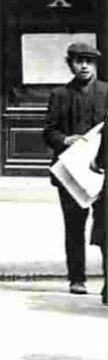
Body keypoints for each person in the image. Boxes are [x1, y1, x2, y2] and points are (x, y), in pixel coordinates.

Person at [41, 41, 108, 295]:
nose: (83, 66)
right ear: (70, 64)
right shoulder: (60, 95)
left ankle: (107, 280)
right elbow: (49, 131)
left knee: (104, 227)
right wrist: (65, 139)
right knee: (74, 227)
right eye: (78, 61)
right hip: (70, 172)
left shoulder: (106, 92)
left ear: (96, 64)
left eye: (89, 61)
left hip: (101, 172)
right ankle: (77, 278)